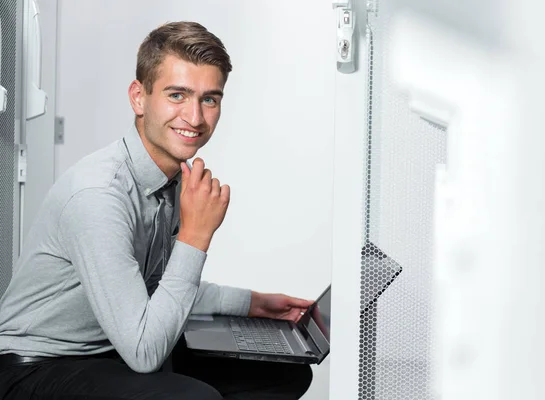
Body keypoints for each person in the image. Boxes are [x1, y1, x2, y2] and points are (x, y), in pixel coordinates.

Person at [0, 21, 313, 400]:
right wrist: (196, 235)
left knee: (283, 375)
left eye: (209, 99)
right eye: (177, 95)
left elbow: (155, 291)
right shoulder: (98, 195)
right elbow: (145, 352)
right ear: (139, 97)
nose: (195, 118)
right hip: (36, 366)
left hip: (110, 347)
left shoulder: (170, 181)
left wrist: (255, 303)